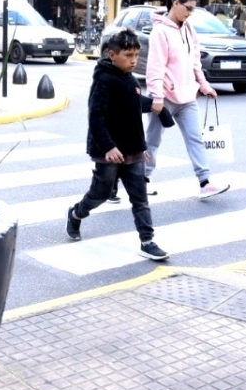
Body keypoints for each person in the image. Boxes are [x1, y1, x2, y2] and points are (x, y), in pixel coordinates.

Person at [66, 28, 169, 261]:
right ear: (112, 55)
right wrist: (109, 147)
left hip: (132, 151)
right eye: (128, 55)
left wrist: (142, 147)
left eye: (136, 55)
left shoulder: (130, 80)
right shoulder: (104, 81)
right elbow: (95, 117)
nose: (134, 60)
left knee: (140, 199)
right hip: (109, 153)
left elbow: (132, 110)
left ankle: (147, 241)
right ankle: (76, 213)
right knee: (99, 195)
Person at [143, 0, 229, 200]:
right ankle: (142, 178)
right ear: (175, 3)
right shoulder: (160, 32)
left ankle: (205, 182)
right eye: (188, 8)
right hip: (165, 97)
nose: (190, 13)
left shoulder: (189, 29)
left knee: (195, 139)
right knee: (153, 141)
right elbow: (155, 67)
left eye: (192, 9)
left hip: (187, 96)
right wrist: (157, 96)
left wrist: (204, 85)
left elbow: (195, 62)